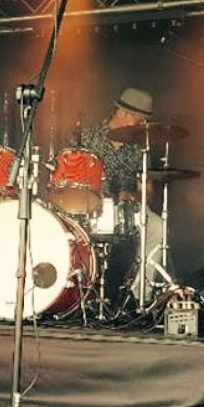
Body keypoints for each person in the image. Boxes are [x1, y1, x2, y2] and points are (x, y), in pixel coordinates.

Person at [78, 87, 170, 303]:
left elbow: (148, 193)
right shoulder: (87, 138)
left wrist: (133, 196)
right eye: (139, 119)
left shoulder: (139, 147)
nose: (142, 124)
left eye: (145, 120)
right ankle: (78, 294)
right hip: (91, 209)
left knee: (157, 227)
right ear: (121, 112)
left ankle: (139, 297)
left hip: (127, 212)